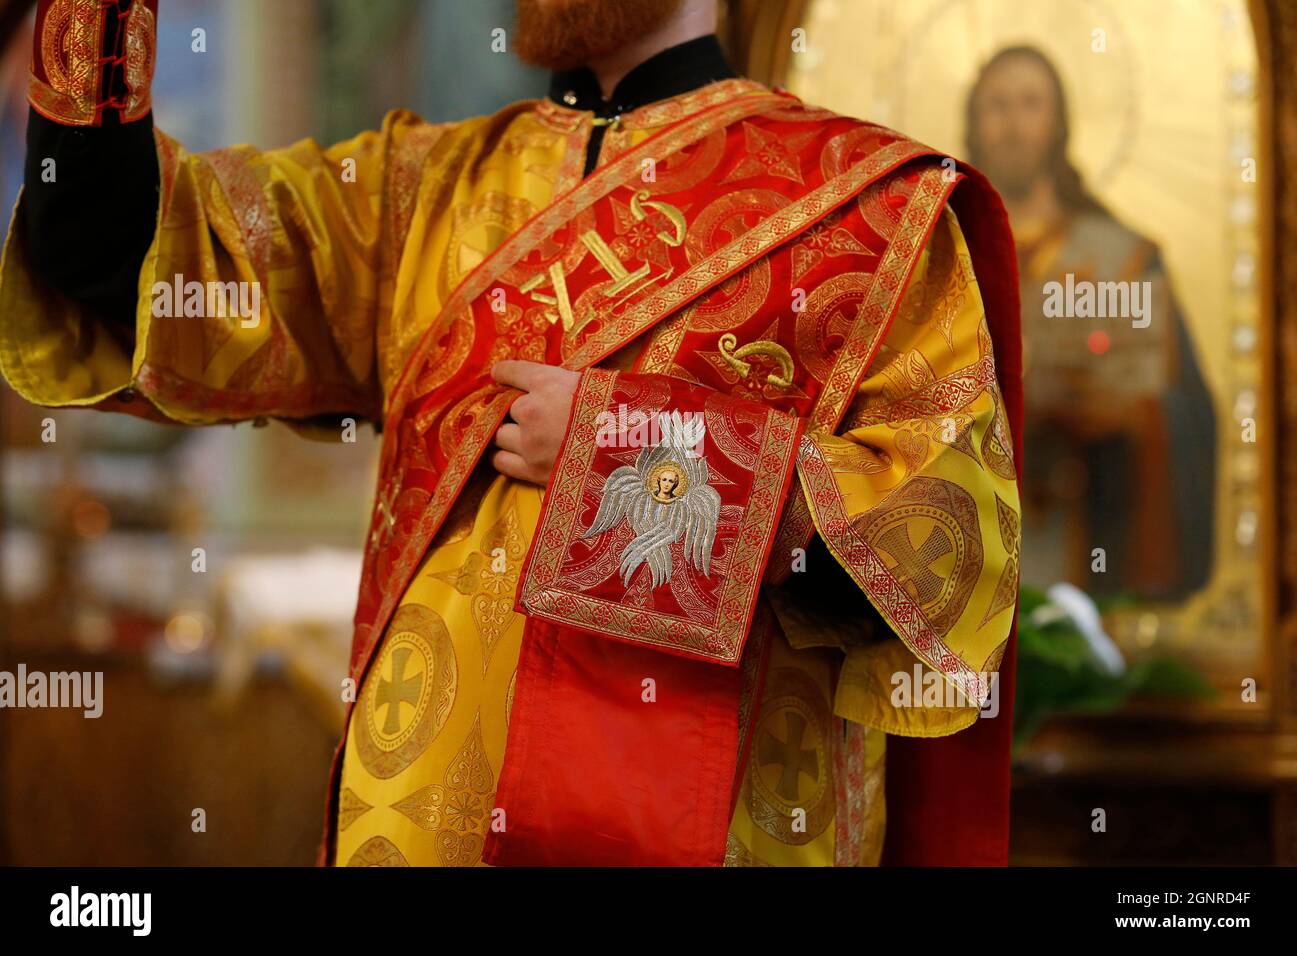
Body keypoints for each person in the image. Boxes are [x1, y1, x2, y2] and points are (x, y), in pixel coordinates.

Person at [2, 0, 1023, 866]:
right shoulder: (417, 190)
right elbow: (115, 258)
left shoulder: (869, 208)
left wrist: (631, 454)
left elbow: (946, 558)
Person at [966, 45, 1216, 600]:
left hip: (1088, 535)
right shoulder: (945, 256)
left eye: (1031, 103)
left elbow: (1192, 415)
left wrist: (1135, 418)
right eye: (997, 105)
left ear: (1058, 122)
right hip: (966, 547)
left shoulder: (1123, 258)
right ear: (974, 123)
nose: (1013, 124)